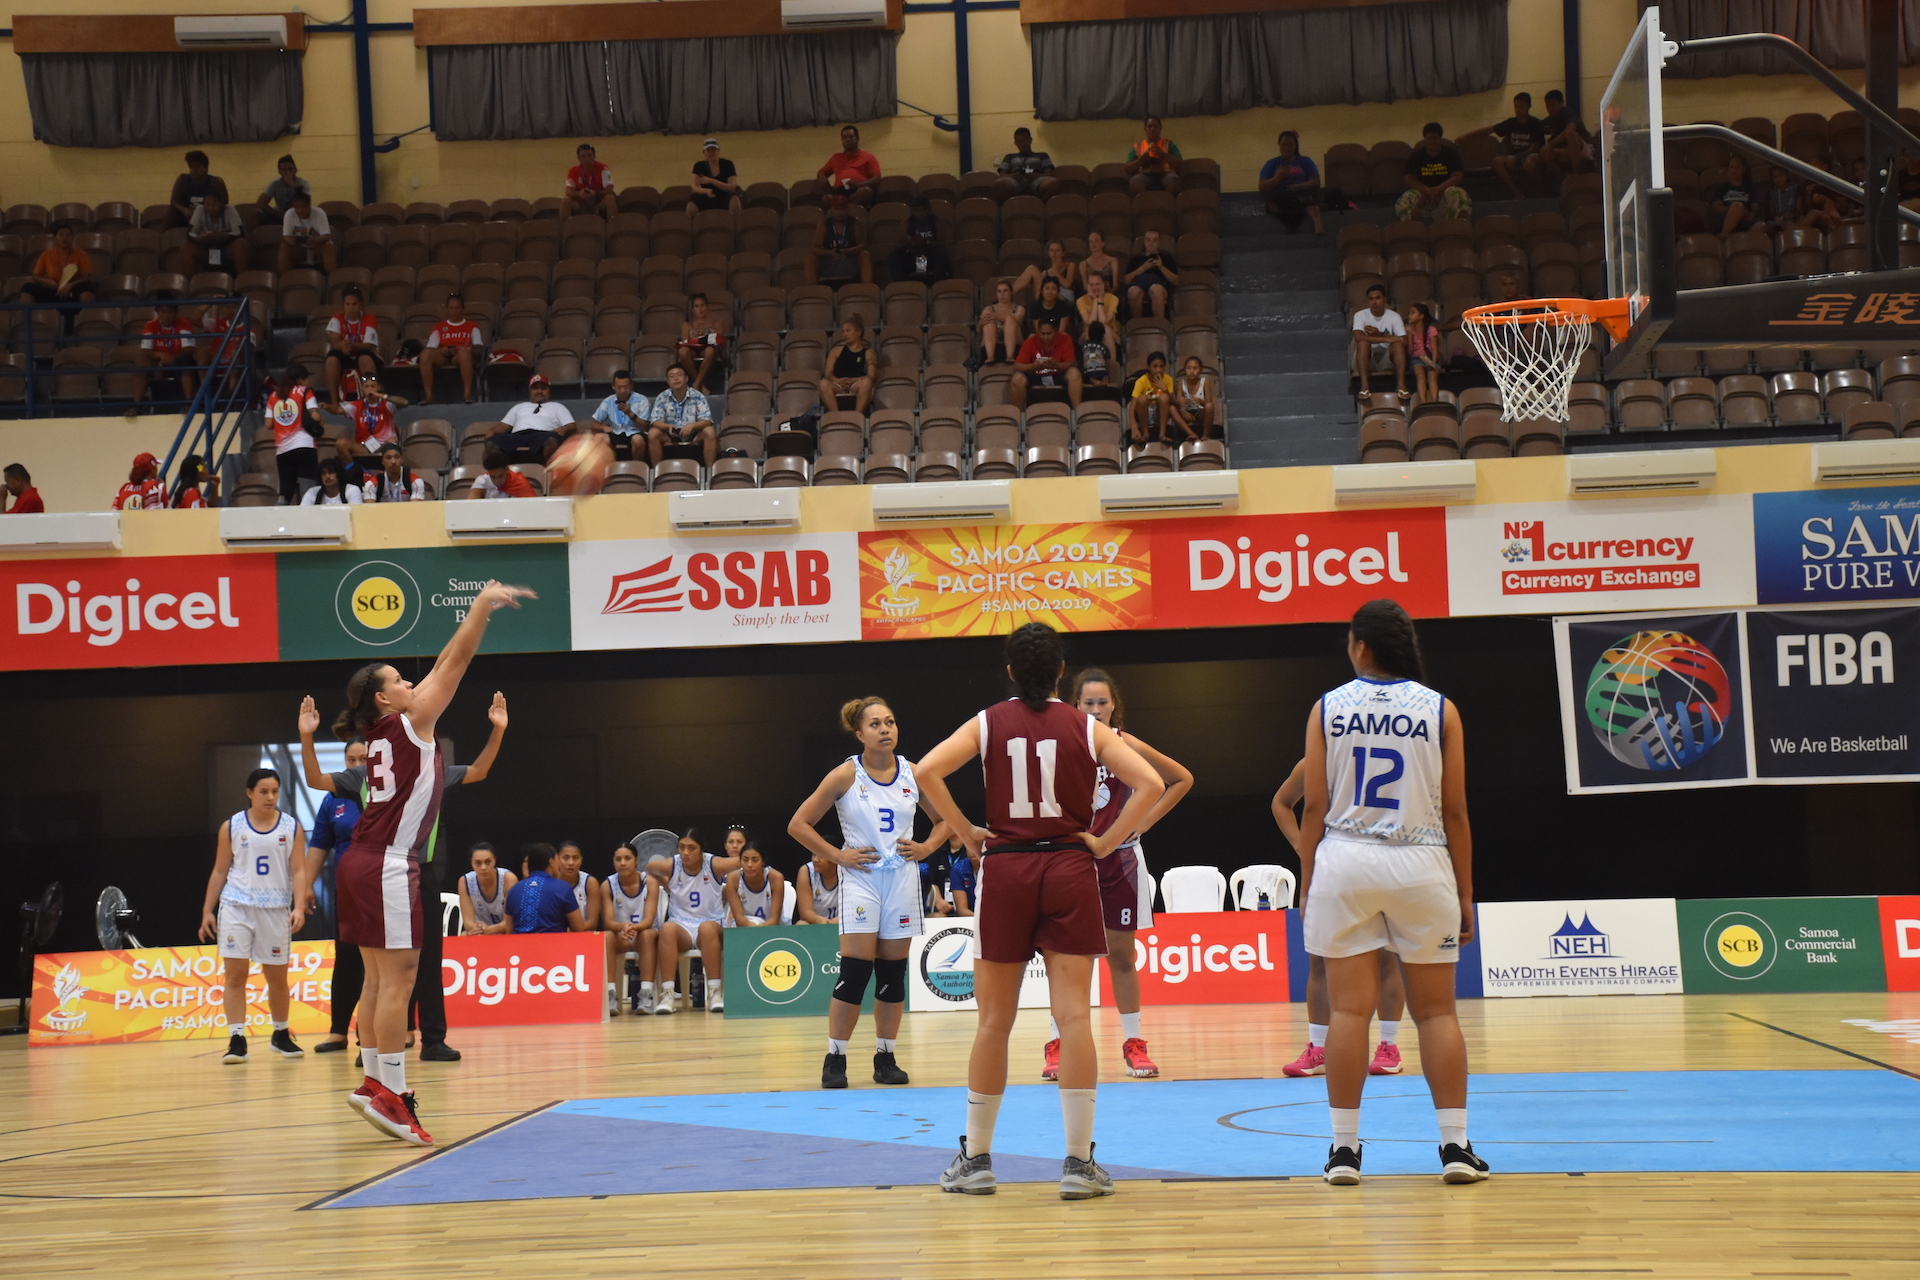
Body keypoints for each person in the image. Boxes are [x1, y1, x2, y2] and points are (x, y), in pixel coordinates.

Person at [913, 623, 1164, 1200]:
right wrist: (1106, 841)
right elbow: (1150, 783)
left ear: (1009, 672)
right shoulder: (1086, 725)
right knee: (1074, 1018)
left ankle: (976, 1160)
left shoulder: (988, 721)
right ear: (1060, 673)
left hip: (1007, 868)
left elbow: (926, 772)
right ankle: (1078, 1164)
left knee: (994, 1022)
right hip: (1070, 868)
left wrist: (966, 831)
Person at [331, 581, 533, 1144]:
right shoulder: (412, 719)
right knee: (400, 981)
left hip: (360, 862)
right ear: (385, 699)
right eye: (399, 680)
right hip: (389, 864)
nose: (410, 683)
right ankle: (394, 1096)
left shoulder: (385, 726)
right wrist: (482, 605)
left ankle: (373, 1082)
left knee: (378, 979)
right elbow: (458, 661)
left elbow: (444, 661)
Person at [1298, 599, 1485, 1186]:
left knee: (1348, 1011)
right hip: (1421, 859)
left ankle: (1343, 1152)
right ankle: (1455, 1147)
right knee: (1436, 1013)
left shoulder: (1327, 707)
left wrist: (1308, 878)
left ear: (1361, 646)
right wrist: (1465, 892)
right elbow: (1456, 810)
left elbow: (1314, 806)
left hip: (1346, 858)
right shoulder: (1441, 710)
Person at [300, 689, 509, 1061]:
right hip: (380, 875)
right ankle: (371, 1050)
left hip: (419, 873)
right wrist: (306, 737)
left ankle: (434, 1040)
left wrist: (498, 729)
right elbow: (315, 779)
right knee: (376, 971)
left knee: (428, 960)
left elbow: (479, 771)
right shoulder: (362, 776)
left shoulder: (431, 771)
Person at [788, 696, 951, 1089]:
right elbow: (798, 824)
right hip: (861, 879)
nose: (884, 729)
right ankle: (835, 1058)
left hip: (902, 881)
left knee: (893, 975)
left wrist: (927, 847)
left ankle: (885, 1057)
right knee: (855, 972)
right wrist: (838, 856)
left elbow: (946, 819)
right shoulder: (845, 774)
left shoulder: (914, 773)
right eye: (875, 724)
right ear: (859, 733)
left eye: (889, 722)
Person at [1036, 669, 1191, 1083]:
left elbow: (1180, 779)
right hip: (1072, 861)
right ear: (1075, 706)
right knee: (1066, 961)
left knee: (1122, 957)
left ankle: (1134, 1044)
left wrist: (1145, 821)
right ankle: (1057, 1044)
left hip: (1120, 860)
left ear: (1113, 705)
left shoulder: (1125, 744)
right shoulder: (1062, 744)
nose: (1095, 709)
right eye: (1088, 703)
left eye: (1102, 702)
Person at [1272, 758, 1409, 1079]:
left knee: (1386, 958)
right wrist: (1303, 847)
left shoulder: (1391, 752)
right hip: (1331, 870)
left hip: (1386, 864)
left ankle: (1389, 1047)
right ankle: (1318, 1048)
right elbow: (1281, 803)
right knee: (1320, 960)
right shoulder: (1315, 761)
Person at [198, 767, 314, 1064]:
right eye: (264, 791)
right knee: (235, 975)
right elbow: (220, 870)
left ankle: (280, 1034)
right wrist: (207, 910)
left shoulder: (291, 827)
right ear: (249, 793)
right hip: (236, 906)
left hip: (275, 909)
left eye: (274, 791)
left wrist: (298, 907)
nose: (270, 797)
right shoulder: (232, 826)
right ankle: (237, 1039)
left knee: (277, 977)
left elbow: (299, 871)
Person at [305, 737, 366, 1053]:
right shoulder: (333, 798)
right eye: (351, 760)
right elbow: (319, 844)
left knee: (379, 962)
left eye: (363, 759)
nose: (356, 765)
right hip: (346, 892)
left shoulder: (385, 791)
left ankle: (377, 1033)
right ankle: (338, 1031)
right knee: (346, 958)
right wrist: (305, 885)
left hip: (381, 888)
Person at [650, 829, 740, 1014]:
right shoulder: (673, 865)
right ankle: (667, 995)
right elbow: (650, 867)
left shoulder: (714, 864)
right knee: (667, 928)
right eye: (682, 847)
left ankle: (714, 993)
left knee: (707, 929)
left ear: (701, 850)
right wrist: (668, 885)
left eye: (691, 848)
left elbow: (743, 861)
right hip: (681, 925)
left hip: (711, 922)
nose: (685, 852)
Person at [604, 842, 660, 1014]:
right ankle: (610, 994)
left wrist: (632, 927)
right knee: (606, 936)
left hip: (644, 936)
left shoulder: (650, 882)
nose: (622, 863)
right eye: (618, 859)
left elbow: (648, 920)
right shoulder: (607, 885)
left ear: (636, 860)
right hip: (621, 936)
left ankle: (646, 994)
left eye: (627, 858)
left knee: (647, 934)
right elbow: (608, 922)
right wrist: (623, 927)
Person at [1460, 93, 1548, 199]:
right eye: (1516, 107)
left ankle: (1542, 191)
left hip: (1532, 156)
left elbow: (1534, 148)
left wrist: (1517, 157)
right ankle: (1517, 192)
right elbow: (1489, 129)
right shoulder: (1511, 123)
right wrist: (1466, 136)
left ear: (1529, 106)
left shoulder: (1535, 123)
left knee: (1529, 164)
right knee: (1496, 161)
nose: (1518, 110)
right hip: (1514, 157)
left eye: (1522, 106)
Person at [267, 364, 324, 504]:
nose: (308, 381)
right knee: (308, 489)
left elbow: (268, 424)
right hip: (304, 445)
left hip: (283, 450)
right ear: (300, 380)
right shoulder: (305, 391)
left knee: (285, 491)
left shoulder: (274, 395)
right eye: (307, 378)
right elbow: (315, 416)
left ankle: (280, 515)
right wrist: (320, 420)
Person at [487, 374, 574, 464]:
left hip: (544, 435)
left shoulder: (557, 407)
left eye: (543, 388)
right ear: (529, 391)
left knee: (552, 440)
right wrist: (492, 431)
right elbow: (503, 425)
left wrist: (564, 428)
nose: (539, 391)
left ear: (549, 390)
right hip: (518, 436)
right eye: (535, 388)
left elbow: (572, 426)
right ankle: (502, 469)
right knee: (492, 443)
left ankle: (550, 468)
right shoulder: (519, 407)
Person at [505, 843, 590, 933]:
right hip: (554, 942)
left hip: (520, 942)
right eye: (557, 860)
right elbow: (578, 927)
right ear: (552, 862)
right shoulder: (562, 888)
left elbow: (509, 930)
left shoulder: (513, 890)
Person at [1396, 124, 1472, 222]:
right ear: (1424, 139)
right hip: (1423, 195)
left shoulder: (1451, 153)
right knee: (1406, 198)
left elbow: (1457, 176)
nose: (1432, 142)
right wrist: (1426, 190)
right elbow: (1409, 178)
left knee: (1458, 193)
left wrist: (1439, 189)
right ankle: (1411, 225)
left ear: (1440, 139)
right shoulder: (1416, 156)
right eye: (1429, 139)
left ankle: (1459, 224)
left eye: (1435, 139)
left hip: (1445, 193)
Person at [418, 294, 483, 404]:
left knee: (464, 353)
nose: (454, 311)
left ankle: (467, 395)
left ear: (462, 309)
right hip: (443, 356)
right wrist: (440, 350)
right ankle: (428, 396)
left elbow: (478, 350)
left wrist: (461, 349)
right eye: (451, 308)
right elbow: (431, 348)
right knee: (425, 354)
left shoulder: (472, 326)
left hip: (460, 356)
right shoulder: (439, 326)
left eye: (457, 308)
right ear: (447, 309)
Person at [647, 364, 716, 467]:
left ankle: (711, 471)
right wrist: (668, 427)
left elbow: (707, 420)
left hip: (693, 433)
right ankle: (657, 471)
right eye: (672, 376)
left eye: (679, 375)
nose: (676, 378)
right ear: (668, 381)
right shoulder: (662, 397)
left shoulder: (697, 396)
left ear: (686, 378)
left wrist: (692, 426)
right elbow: (655, 421)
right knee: (653, 433)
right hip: (671, 434)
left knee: (709, 431)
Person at [330, 372, 407, 459]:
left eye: (373, 386)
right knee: (340, 444)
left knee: (391, 442)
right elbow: (337, 410)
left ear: (379, 387)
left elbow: (404, 403)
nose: (370, 389)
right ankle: (353, 467)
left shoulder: (387, 404)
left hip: (385, 445)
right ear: (362, 388)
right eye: (366, 387)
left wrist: (380, 395)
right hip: (364, 446)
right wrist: (327, 407)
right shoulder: (357, 406)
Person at [324, 287, 381, 404]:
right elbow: (334, 342)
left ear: (361, 305)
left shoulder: (369, 319)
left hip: (364, 354)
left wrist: (351, 345)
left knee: (364, 357)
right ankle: (335, 401)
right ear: (343, 306)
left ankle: (371, 399)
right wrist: (342, 346)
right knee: (331, 359)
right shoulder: (337, 319)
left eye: (354, 304)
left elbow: (368, 345)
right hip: (346, 355)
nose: (351, 308)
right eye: (348, 304)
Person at [1010, 317, 1082, 410]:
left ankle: (1077, 411)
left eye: (1049, 333)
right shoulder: (1030, 341)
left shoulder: (1065, 339)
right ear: (1038, 331)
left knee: (1074, 373)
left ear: (1055, 331)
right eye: (1042, 333)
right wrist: (1032, 366)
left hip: (1057, 374)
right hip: (1036, 375)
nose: (1046, 337)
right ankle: (1018, 413)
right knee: (1017, 378)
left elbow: (1071, 363)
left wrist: (1057, 365)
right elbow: (1017, 366)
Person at [1260, 131, 1325, 234]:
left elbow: (1316, 181)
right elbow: (1262, 187)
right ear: (1279, 146)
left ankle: (1317, 224)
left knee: (1308, 199)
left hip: (1302, 193)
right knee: (1272, 205)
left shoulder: (1305, 161)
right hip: (1281, 196)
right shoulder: (1271, 163)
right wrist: (1278, 177)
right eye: (1284, 145)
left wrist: (1300, 185)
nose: (1287, 148)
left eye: (1290, 145)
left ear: (1295, 146)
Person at [1351, 285, 1408, 401]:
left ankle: (1401, 386)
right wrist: (1386, 339)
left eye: (1377, 298)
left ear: (1384, 299)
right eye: (1371, 299)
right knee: (1363, 343)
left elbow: (1403, 340)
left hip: (1386, 359)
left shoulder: (1394, 316)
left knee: (1398, 346)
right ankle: (1365, 387)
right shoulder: (1360, 315)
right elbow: (1358, 336)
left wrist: (1381, 335)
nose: (1374, 302)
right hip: (1366, 357)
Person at [139, 300, 199, 405]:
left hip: (179, 361)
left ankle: (188, 403)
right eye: (163, 311)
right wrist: (159, 355)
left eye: (170, 312)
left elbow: (188, 349)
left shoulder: (184, 323)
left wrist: (169, 359)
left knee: (186, 360)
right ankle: (137, 405)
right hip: (158, 362)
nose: (167, 315)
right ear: (157, 312)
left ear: (176, 312)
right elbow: (145, 351)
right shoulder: (150, 325)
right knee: (141, 362)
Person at [180, 189, 249, 276]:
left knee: (241, 244)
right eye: (207, 204)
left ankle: (242, 278)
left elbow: (239, 232)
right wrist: (198, 238)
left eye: (214, 204)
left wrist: (222, 236)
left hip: (226, 249)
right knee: (186, 246)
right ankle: (190, 280)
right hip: (206, 250)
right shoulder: (200, 210)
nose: (210, 208)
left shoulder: (229, 210)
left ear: (220, 204)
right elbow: (190, 233)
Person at [886, 195, 951, 285]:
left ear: (929, 210)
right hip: (913, 257)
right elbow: (898, 245)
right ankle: (901, 285)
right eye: (917, 210)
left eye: (923, 210)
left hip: (930, 257)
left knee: (941, 254)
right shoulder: (907, 223)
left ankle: (938, 285)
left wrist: (926, 242)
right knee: (893, 256)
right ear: (913, 211)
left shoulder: (937, 222)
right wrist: (909, 242)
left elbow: (943, 244)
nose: (920, 213)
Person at [808, 194, 871, 288]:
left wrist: (845, 251)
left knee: (865, 255)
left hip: (849, 260)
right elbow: (815, 248)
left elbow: (863, 245)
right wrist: (830, 253)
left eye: (842, 209)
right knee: (811, 258)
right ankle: (812, 291)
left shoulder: (855, 223)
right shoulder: (824, 224)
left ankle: (867, 288)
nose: (839, 212)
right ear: (831, 210)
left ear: (847, 210)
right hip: (830, 261)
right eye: (836, 209)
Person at [21, 224, 96, 302]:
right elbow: (35, 277)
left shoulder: (81, 254)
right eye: (61, 235)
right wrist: (49, 282)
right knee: (28, 287)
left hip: (72, 290)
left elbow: (86, 276)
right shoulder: (46, 254)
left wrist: (69, 285)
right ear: (55, 238)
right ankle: (27, 310)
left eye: (68, 235)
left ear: (72, 237)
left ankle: (85, 310)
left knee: (87, 286)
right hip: (52, 290)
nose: (65, 238)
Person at [820, 316, 875, 414]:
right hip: (838, 384)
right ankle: (836, 416)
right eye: (843, 331)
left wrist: (852, 380)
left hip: (856, 383)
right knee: (823, 384)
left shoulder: (869, 353)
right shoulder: (836, 351)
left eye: (848, 331)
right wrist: (839, 381)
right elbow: (828, 374)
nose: (844, 334)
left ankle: (857, 415)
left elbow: (871, 376)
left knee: (867, 383)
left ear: (858, 332)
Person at [458, 842, 515, 936]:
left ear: (494, 861)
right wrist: (482, 930)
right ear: (471, 863)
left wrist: (490, 930)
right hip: (480, 933)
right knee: (464, 935)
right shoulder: (464, 881)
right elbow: (468, 922)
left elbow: (511, 921)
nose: (483, 867)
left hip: (505, 932)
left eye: (488, 862)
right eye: (478, 863)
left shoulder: (508, 879)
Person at [591, 370, 650, 460]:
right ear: (613, 386)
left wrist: (630, 414)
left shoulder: (641, 400)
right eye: (619, 387)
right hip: (615, 432)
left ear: (631, 385)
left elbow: (645, 427)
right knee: (598, 438)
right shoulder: (608, 401)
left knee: (638, 440)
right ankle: (609, 466)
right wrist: (604, 428)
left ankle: (637, 466)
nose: (622, 391)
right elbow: (594, 425)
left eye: (626, 387)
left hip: (635, 433)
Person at [724, 841, 785, 928]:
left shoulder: (775, 878)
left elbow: (774, 920)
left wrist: (757, 929)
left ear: (763, 861)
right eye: (745, 860)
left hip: (770, 928)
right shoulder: (733, 879)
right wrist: (753, 927)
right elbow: (739, 919)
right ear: (740, 861)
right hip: (745, 927)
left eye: (755, 860)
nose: (749, 865)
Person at [1123, 229, 1179, 321]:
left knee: (1155, 289)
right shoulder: (1135, 259)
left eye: (1155, 240)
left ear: (1159, 242)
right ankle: (1137, 324)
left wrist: (1161, 267)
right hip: (1139, 287)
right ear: (1144, 241)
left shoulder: (1167, 257)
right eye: (1148, 240)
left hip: (1160, 289)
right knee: (1133, 291)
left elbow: (1176, 281)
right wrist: (1142, 268)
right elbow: (1126, 280)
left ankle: (1159, 323)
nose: (1151, 243)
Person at [818, 125, 881, 206]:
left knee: (865, 191)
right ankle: (846, 206)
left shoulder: (868, 157)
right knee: (826, 199)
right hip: (839, 192)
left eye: (851, 137)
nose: (848, 139)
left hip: (858, 190)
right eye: (845, 137)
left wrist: (858, 184)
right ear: (842, 140)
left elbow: (877, 178)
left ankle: (844, 207)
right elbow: (822, 171)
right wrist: (822, 177)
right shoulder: (836, 157)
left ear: (857, 138)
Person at [278, 188, 336, 275]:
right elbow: (286, 236)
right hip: (299, 248)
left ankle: (332, 276)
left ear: (309, 205)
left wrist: (316, 240)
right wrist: (290, 240)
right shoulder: (289, 214)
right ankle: (284, 277)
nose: (300, 210)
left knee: (329, 245)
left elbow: (326, 235)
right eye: (297, 207)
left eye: (303, 207)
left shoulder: (319, 213)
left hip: (317, 246)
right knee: (284, 247)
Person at [676, 293, 725, 394]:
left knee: (709, 351)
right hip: (693, 349)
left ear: (707, 307)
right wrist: (695, 339)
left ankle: (697, 382)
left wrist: (704, 338)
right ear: (693, 309)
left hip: (710, 349)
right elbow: (685, 342)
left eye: (702, 305)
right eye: (696, 306)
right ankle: (700, 384)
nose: (700, 309)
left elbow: (718, 340)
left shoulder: (716, 323)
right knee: (682, 351)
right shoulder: (687, 325)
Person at [971, 279, 1024, 370]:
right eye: (999, 291)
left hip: (1015, 346)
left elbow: (1016, 321)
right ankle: (990, 357)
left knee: (1010, 320)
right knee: (989, 323)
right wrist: (980, 324)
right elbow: (980, 332)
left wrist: (996, 316)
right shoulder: (989, 309)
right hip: (993, 346)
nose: (1002, 294)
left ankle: (1010, 356)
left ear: (1011, 292)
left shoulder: (1019, 309)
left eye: (1005, 291)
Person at [169, 150, 230, 228]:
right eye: (191, 166)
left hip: (209, 216)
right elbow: (174, 201)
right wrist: (185, 210)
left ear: (206, 168)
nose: (193, 170)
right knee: (170, 213)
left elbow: (223, 204)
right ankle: (169, 234)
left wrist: (204, 213)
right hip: (187, 216)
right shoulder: (183, 179)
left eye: (197, 166)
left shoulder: (216, 182)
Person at [994, 127, 1058, 200]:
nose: (1023, 144)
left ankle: (1041, 205)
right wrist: (1014, 176)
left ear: (1030, 140)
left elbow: (1049, 174)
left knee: (1053, 183)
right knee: (999, 184)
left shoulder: (1042, 155)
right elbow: (1002, 175)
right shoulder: (1009, 157)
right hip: (1015, 182)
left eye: (1025, 140)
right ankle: (1007, 206)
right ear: (1016, 143)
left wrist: (1036, 175)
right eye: (1019, 141)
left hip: (1037, 181)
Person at [1126, 117, 1183, 195]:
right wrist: (1141, 160)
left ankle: (1166, 201)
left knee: (1174, 181)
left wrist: (1162, 155)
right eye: (1149, 126)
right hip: (1144, 174)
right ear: (1145, 129)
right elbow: (1127, 169)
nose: (1152, 129)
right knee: (1135, 184)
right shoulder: (1138, 146)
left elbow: (1179, 163)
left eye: (1155, 126)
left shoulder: (1168, 144)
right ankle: (1148, 201)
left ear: (1160, 128)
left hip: (1165, 173)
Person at [1129, 351, 1175, 445]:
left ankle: (1162, 434)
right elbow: (1132, 407)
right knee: (1142, 398)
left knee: (1164, 397)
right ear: (1148, 366)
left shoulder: (1168, 379)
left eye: (1161, 366)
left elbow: (1173, 403)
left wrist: (1165, 389)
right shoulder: (1141, 381)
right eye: (1155, 366)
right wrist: (1134, 427)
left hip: (1161, 412)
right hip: (1145, 413)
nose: (1158, 370)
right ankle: (1145, 434)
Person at [1013, 240, 1078, 306]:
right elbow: (1037, 288)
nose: (1054, 253)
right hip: (1047, 297)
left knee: (1033, 270)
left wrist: (1055, 271)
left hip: (1065, 297)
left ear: (1063, 253)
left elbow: (1067, 285)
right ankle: (1010, 293)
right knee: (1031, 269)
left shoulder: (1070, 265)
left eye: (1057, 250)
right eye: (1051, 250)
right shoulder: (1046, 272)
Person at [1709, 153, 1760, 236]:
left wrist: (1751, 215)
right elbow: (1717, 207)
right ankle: (1724, 235)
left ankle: (1741, 241)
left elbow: (1755, 207)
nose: (1734, 170)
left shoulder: (1750, 187)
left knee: (1761, 226)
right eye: (1731, 167)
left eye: (1737, 167)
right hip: (1725, 217)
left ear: (1743, 169)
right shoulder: (1722, 187)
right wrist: (1736, 210)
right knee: (1738, 206)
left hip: (1744, 220)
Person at [562, 143, 618, 219]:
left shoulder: (603, 169)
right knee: (566, 200)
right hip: (580, 203)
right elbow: (568, 192)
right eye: (583, 156)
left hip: (598, 202)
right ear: (579, 158)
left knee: (610, 198)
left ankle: (613, 224)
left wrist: (596, 193)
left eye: (589, 155)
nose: (587, 159)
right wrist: (579, 194)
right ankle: (565, 226)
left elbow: (610, 190)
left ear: (594, 156)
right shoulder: (573, 171)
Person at [689, 138, 741, 217]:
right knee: (693, 198)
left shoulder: (728, 164)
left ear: (718, 150)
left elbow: (732, 187)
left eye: (713, 150)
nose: (711, 153)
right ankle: (692, 222)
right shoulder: (699, 165)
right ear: (704, 152)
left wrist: (712, 181)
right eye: (708, 150)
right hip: (707, 196)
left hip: (725, 195)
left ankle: (735, 220)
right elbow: (694, 187)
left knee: (734, 198)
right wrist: (706, 191)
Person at [1403, 303, 1442, 407]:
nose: (1409, 316)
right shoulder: (1410, 331)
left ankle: (1434, 403)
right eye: (1409, 313)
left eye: (1413, 313)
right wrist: (1409, 336)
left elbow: (1434, 347)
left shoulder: (1431, 329)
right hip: (1416, 358)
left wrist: (1433, 362)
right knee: (1420, 375)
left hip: (1430, 357)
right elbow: (1410, 352)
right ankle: (1423, 403)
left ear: (1421, 316)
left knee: (1432, 376)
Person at [1172, 354, 1216, 442]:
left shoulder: (1205, 382)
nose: (1192, 371)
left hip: (1200, 412)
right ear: (1185, 369)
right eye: (1189, 368)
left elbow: (1209, 402)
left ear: (1200, 370)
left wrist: (1200, 401)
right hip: (1187, 412)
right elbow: (1178, 400)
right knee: (1172, 409)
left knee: (1209, 406)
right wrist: (1180, 400)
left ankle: (1205, 435)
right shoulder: (1181, 382)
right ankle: (1191, 434)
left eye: (1195, 368)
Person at [796, 847, 842, 925]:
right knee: (801, 924)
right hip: (816, 923)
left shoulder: (847, 871)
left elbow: (853, 908)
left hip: (841, 922)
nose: (815, 860)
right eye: (814, 855)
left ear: (834, 858)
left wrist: (836, 921)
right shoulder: (806, 871)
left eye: (821, 856)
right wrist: (821, 921)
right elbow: (805, 911)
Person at [469, 449, 537, 499]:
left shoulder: (520, 482)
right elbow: (470, 505)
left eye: (500, 476)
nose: (497, 481)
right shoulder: (482, 481)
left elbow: (533, 506)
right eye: (493, 477)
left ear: (507, 470)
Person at [1079, 320, 1118, 396]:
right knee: (1105, 374)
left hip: (1087, 373)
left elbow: (1080, 361)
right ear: (1103, 335)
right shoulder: (1104, 347)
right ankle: (1103, 381)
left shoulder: (1082, 346)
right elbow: (1107, 364)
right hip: (1101, 372)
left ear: (1089, 333)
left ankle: (1093, 380)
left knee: (1085, 374)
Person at [1076, 270, 1119, 336]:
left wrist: (1100, 300)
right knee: (1088, 332)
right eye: (1091, 285)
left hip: (1109, 331)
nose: (1094, 288)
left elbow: (1103, 322)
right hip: (1089, 332)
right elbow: (1090, 323)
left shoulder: (1113, 299)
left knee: (1106, 332)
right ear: (1087, 286)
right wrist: (1095, 300)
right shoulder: (1081, 300)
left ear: (1104, 284)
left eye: (1098, 284)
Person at [1080, 230, 1120, 299]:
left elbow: (1115, 286)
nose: (1093, 244)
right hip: (1091, 297)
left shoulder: (1113, 261)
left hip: (1109, 295)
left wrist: (1107, 297)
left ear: (1103, 243)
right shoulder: (1083, 264)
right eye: (1091, 242)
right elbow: (1085, 287)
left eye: (1096, 241)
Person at [947, 837, 979, 915]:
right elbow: (961, 910)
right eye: (969, 846)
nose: (973, 851)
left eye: (978, 846)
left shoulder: (994, 867)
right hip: (970, 916)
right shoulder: (958, 869)